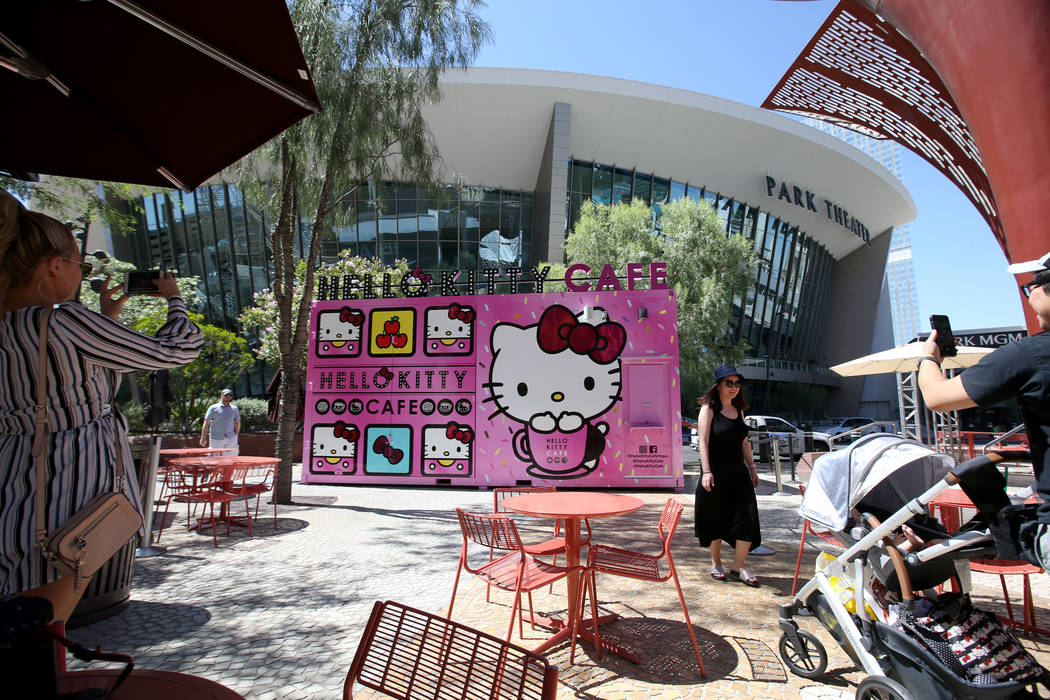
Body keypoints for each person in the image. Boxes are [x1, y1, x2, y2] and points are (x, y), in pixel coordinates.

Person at [0, 192, 203, 622]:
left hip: (14, 482)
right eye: (82, 265)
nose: (82, 275)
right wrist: (173, 298)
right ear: (56, 266)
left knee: (21, 618)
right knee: (43, 623)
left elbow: (58, 379)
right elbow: (179, 348)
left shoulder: (12, 325)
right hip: (74, 488)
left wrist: (106, 320)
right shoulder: (63, 320)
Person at [918, 250, 1050, 569]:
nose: (1029, 291)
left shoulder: (1031, 354)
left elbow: (936, 396)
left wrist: (928, 358)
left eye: (1033, 284)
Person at [695, 364, 762, 587]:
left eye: (737, 383)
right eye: (729, 383)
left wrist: (752, 468)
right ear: (719, 385)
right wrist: (706, 471)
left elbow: (744, 442)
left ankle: (739, 566)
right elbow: (703, 442)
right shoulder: (709, 408)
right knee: (714, 517)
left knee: (747, 517)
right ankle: (716, 563)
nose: (734, 387)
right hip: (715, 473)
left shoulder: (739, 409)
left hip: (738, 473)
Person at [201, 389, 240, 455]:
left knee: (231, 459)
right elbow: (206, 422)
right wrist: (203, 438)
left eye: (230, 395)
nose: (228, 397)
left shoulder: (234, 409)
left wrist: (236, 435)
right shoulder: (213, 408)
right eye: (226, 395)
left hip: (230, 437)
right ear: (221, 396)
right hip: (216, 438)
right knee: (215, 459)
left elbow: (237, 422)